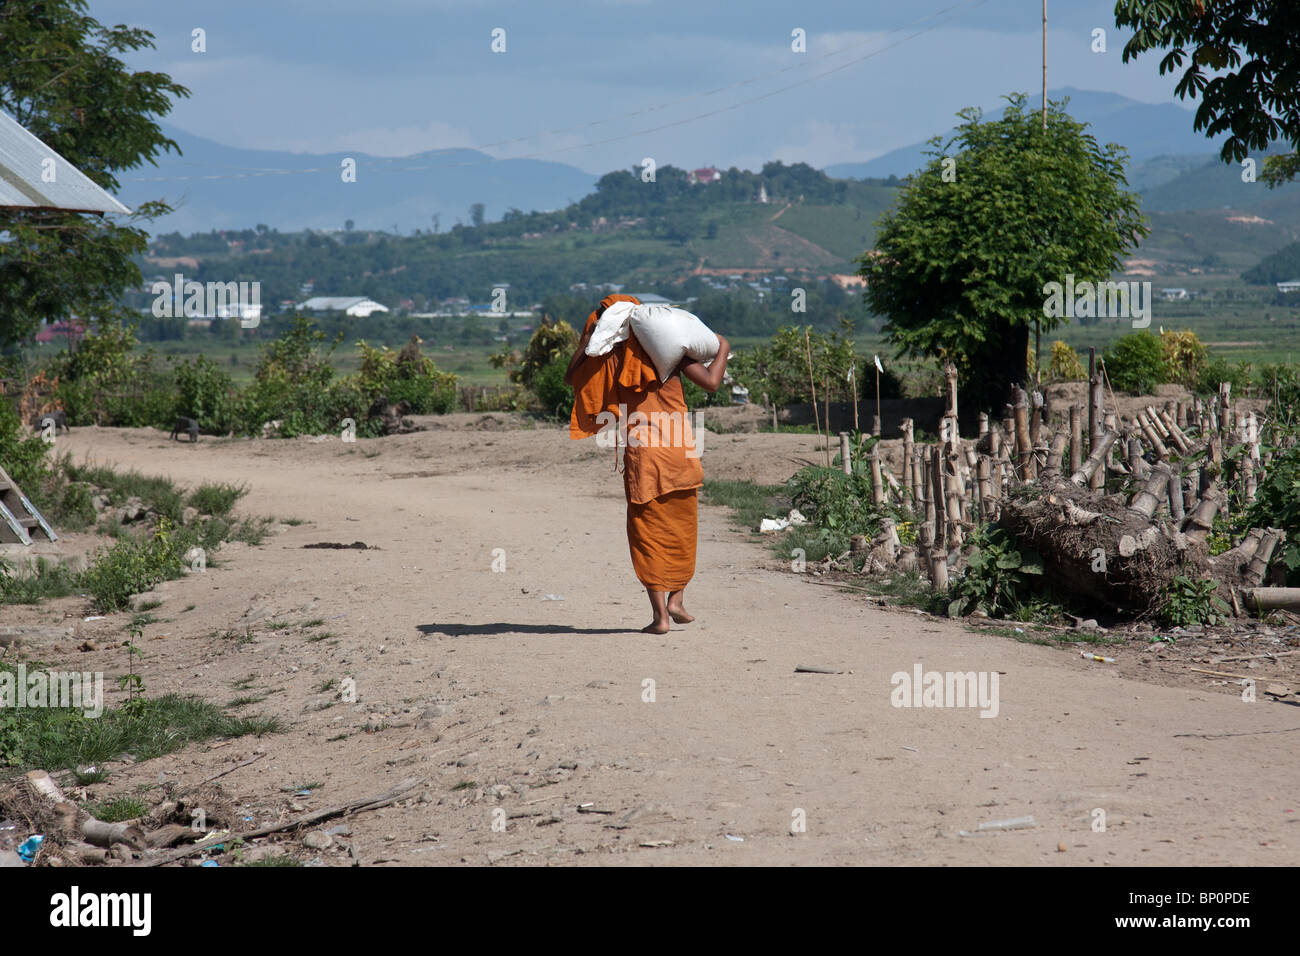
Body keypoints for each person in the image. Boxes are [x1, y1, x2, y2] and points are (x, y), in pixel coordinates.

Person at [566, 294, 730, 633]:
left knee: (646, 533)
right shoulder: (670, 356)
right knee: (682, 528)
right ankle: (678, 599)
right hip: (680, 450)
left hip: (643, 455)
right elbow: (712, 383)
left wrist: (588, 339)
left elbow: (572, 378)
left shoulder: (607, 357)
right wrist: (723, 346)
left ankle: (661, 617)